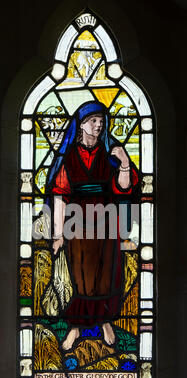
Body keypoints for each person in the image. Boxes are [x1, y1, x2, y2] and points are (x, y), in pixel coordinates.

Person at [47, 101, 139, 350]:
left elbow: (123, 188)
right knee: (80, 277)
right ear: (82, 124)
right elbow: (60, 196)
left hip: (107, 223)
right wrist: (57, 235)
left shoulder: (109, 155)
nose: (98, 125)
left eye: (101, 121)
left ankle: (105, 321)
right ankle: (75, 328)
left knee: (106, 275)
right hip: (77, 226)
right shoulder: (68, 158)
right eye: (93, 121)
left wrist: (123, 163)